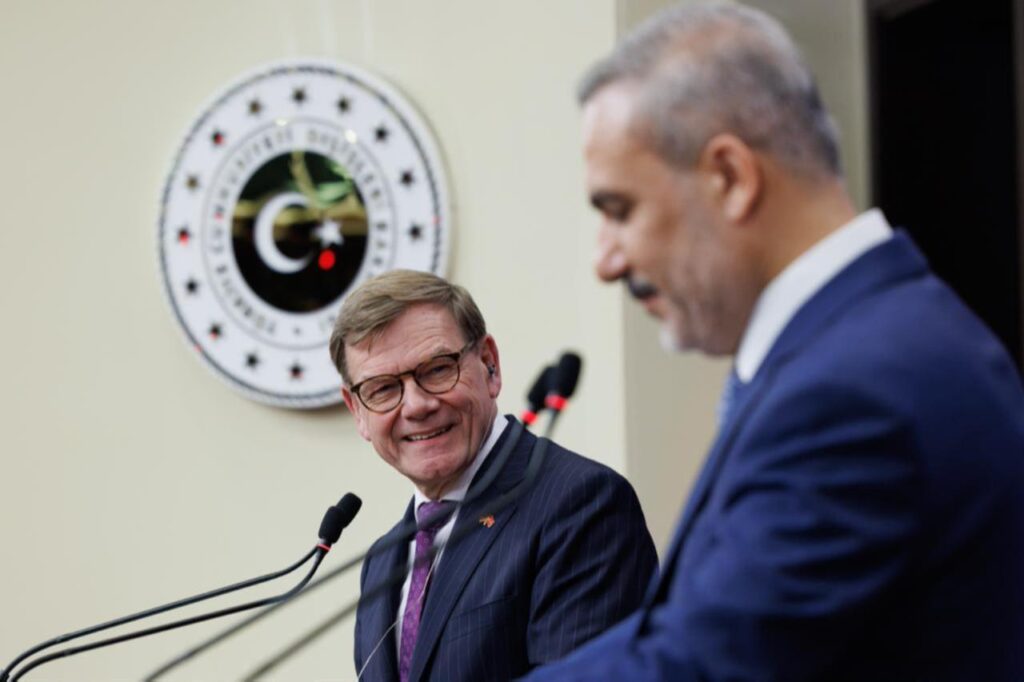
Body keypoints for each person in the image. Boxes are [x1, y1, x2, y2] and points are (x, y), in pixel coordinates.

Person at [524, 3, 1024, 681]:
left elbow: (701, 666)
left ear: (730, 176)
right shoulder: (865, 344)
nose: (605, 260)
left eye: (620, 210)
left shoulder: (856, 391)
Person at [329, 269, 657, 682]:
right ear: (357, 411)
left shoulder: (582, 503)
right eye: (382, 389)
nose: (415, 405)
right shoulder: (383, 559)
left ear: (490, 365)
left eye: (436, 370)